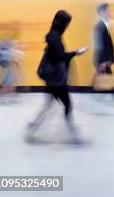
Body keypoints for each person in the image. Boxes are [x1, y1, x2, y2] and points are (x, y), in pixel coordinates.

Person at [26, 10, 87, 144]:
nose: (67, 26)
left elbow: (56, 56)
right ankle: (74, 135)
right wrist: (76, 53)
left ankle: (32, 127)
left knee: (48, 105)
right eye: (67, 24)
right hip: (56, 80)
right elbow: (59, 57)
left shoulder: (53, 35)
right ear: (62, 24)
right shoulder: (55, 38)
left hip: (52, 78)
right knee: (68, 105)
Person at [93, 3, 114, 106]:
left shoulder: (105, 25)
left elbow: (108, 45)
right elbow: (99, 46)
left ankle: (94, 100)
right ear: (102, 12)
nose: (110, 12)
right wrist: (102, 62)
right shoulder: (99, 26)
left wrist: (112, 58)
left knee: (104, 81)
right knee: (110, 82)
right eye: (108, 10)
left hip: (105, 60)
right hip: (103, 60)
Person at [0, 22, 23, 103]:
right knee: (8, 83)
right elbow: (14, 37)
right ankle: (1, 96)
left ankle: (8, 95)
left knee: (10, 82)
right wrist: (17, 28)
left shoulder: (7, 46)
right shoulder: (8, 45)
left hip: (8, 65)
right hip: (8, 66)